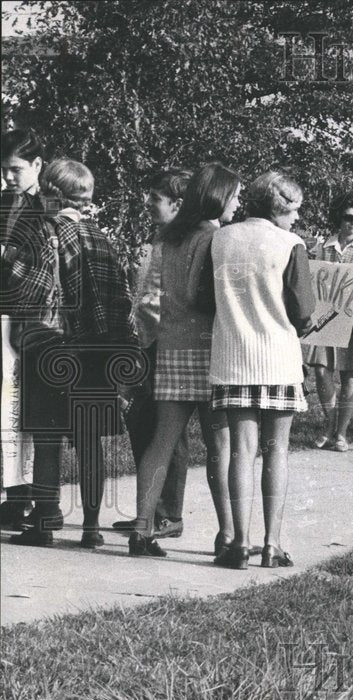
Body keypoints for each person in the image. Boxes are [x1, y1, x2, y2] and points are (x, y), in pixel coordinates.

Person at [3, 158, 138, 547]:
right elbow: (121, 297)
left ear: (50, 190)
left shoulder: (44, 231)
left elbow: (22, 286)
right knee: (88, 439)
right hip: (96, 350)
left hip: (50, 344)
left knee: (48, 439)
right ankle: (92, 529)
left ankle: (45, 523)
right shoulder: (100, 237)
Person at [127, 164, 240, 559]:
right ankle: (228, 533)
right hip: (209, 349)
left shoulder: (168, 236)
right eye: (234, 196)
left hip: (172, 345)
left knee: (161, 441)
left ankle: (142, 528)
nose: (237, 204)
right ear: (217, 198)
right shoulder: (213, 237)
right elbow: (198, 294)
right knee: (219, 445)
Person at [208, 170, 315, 570]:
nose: (296, 218)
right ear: (277, 209)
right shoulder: (291, 244)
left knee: (241, 451)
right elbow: (303, 311)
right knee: (277, 452)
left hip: (233, 358)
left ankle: (239, 541)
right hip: (278, 358)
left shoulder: (221, 238)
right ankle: (272, 544)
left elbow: (208, 296)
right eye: (293, 210)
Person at [112, 169, 193, 539]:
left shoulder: (183, 243)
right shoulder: (159, 239)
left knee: (168, 432)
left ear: (177, 204)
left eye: (155, 198)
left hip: (167, 344)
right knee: (141, 424)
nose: (147, 203)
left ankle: (168, 513)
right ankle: (147, 510)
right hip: (144, 343)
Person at [303, 195, 353, 452]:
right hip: (327, 315)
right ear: (340, 218)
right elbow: (311, 274)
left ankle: (341, 432)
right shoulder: (325, 244)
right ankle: (330, 424)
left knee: (350, 374)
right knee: (321, 370)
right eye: (349, 217)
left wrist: (343, 281)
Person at [0, 128, 46, 528]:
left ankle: (19, 497)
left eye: (16, 169)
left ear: (37, 165)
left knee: (12, 407)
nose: (9, 178)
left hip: (19, 316)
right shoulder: (16, 202)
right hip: (17, 315)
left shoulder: (37, 206)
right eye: (4, 170)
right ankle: (20, 494)